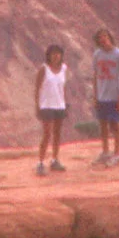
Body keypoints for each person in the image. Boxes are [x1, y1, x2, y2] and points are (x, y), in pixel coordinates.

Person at [90, 27, 119, 163]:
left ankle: (117, 153)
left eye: (105, 36)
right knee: (103, 124)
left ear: (109, 37)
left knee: (115, 124)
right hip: (101, 95)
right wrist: (95, 96)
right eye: (100, 37)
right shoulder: (97, 55)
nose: (103, 39)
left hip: (114, 95)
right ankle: (105, 152)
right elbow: (95, 75)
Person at [34, 44, 69, 172]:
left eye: (58, 53)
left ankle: (55, 159)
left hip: (59, 105)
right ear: (48, 55)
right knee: (47, 134)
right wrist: (37, 105)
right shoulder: (44, 69)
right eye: (53, 53)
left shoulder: (63, 68)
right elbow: (37, 88)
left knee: (57, 133)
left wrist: (65, 103)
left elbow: (63, 87)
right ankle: (40, 162)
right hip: (46, 105)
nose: (56, 56)